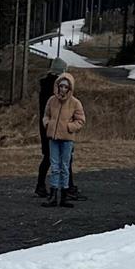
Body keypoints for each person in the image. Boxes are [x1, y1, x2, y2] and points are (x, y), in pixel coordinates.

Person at [41, 72, 85, 208]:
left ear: (70, 88)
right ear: (57, 86)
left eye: (66, 87)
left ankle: (64, 196)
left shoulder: (75, 103)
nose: (63, 89)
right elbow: (46, 115)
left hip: (67, 139)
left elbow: (81, 120)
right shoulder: (51, 100)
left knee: (65, 167)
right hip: (53, 138)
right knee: (54, 166)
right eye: (61, 86)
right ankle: (53, 195)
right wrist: (48, 124)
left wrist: (69, 127)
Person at [36, 58, 69, 198]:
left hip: (46, 124)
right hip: (55, 125)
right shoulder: (55, 88)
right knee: (60, 157)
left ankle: (41, 184)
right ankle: (64, 187)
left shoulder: (45, 85)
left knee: (49, 156)